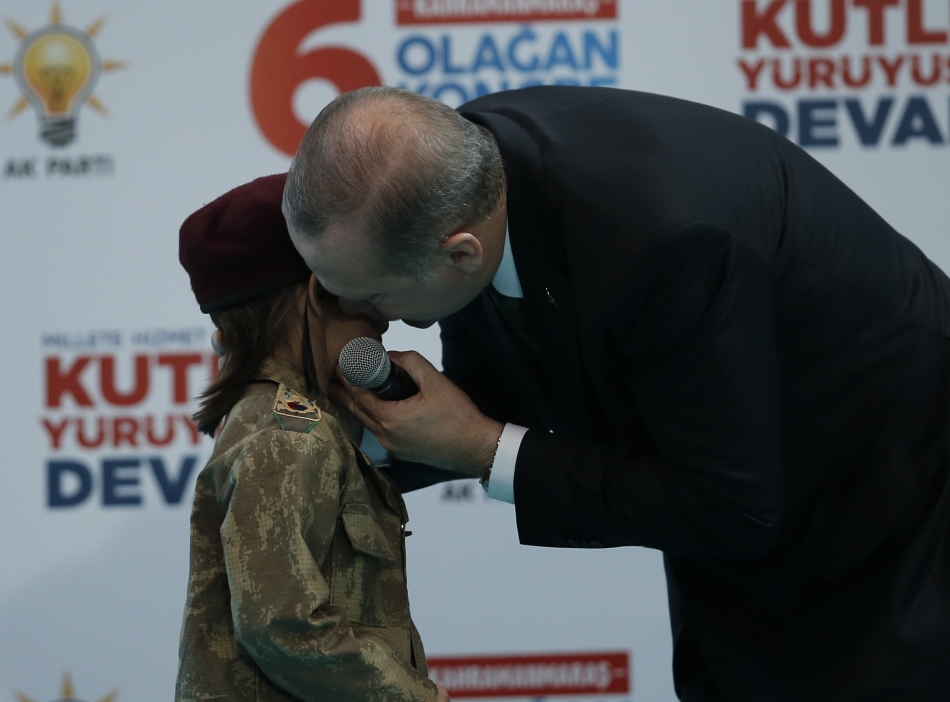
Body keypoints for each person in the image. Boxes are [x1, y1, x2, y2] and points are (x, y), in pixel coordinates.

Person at [282, 86, 950, 700]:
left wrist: (486, 450)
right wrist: (335, 446)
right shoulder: (456, 174)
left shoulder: (660, 243)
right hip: (750, 480)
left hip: (888, 480)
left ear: (461, 253)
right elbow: (498, 382)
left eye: (370, 294)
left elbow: (731, 509)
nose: (357, 314)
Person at [174, 173, 447, 702]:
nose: (384, 319)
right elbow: (282, 624)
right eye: (366, 294)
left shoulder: (288, 423)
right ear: (322, 292)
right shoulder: (289, 433)